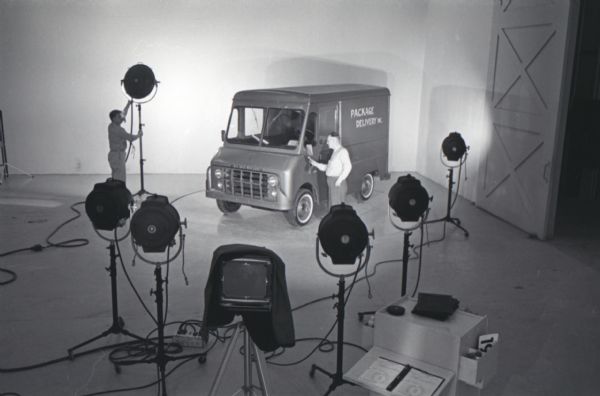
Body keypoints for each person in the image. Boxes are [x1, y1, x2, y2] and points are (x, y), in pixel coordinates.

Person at [308, 132, 352, 206]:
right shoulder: (335, 152)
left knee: (336, 208)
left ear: (334, 141)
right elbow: (328, 168)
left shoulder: (342, 151)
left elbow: (348, 167)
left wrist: (339, 181)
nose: (327, 143)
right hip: (332, 184)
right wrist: (315, 163)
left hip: (337, 185)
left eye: (328, 140)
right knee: (333, 207)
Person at [107, 100, 141, 183]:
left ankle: (116, 193)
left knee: (117, 176)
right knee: (120, 178)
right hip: (117, 156)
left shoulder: (111, 126)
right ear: (114, 118)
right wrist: (138, 135)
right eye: (119, 117)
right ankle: (119, 194)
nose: (122, 118)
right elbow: (130, 138)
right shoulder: (118, 129)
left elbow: (123, 113)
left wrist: (128, 104)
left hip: (115, 155)